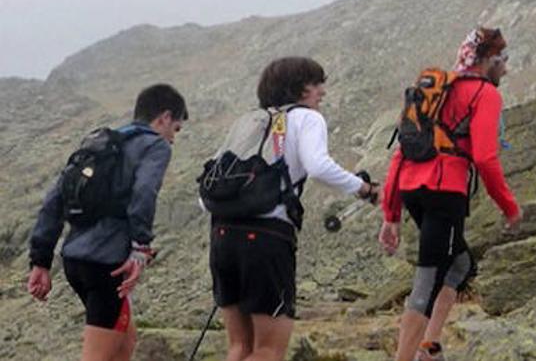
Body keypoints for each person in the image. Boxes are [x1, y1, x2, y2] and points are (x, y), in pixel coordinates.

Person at [208, 57, 377, 361]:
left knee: (239, 348)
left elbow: (210, 184)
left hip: (222, 235)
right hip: (267, 238)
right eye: (316, 83)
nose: (322, 91)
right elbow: (318, 166)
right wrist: (364, 189)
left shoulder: (250, 122)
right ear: (300, 88)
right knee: (268, 351)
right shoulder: (306, 118)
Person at [379, 27, 523, 361]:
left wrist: (392, 214)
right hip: (445, 191)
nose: (507, 68)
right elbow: (486, 158)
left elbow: (403, 149)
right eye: (504, 60)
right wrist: (509, 207)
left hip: (413, 188)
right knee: (429, 279)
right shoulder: (485, 94)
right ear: (489, 60)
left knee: (458, 263)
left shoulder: (438, 91)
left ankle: (429, 349)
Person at [28, 83, 188, 361]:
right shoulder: (154, 145)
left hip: (75, 259)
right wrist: (140, 248)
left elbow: (55, 199)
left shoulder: (100, 143)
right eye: (175, 128)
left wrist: (40, 261)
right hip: (106, 263)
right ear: (164, 117)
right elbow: (144, 194)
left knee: (125, 343)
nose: (173, 138)